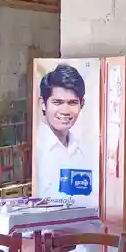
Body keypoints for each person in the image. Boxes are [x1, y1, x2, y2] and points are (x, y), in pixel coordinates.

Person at [32, 62, 98, 205]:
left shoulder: (85, 150)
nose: (65, 110)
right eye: (57, 102)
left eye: (72, 103)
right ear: (43, 104)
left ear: (82, 104)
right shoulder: (35, 147)